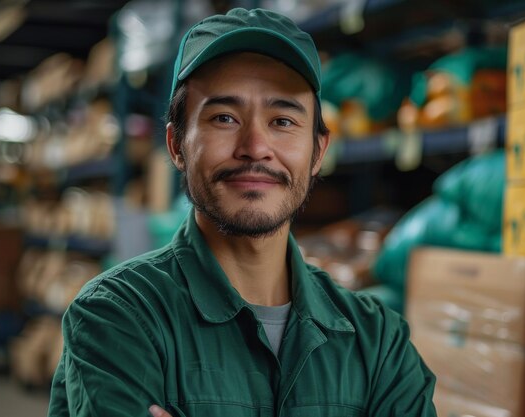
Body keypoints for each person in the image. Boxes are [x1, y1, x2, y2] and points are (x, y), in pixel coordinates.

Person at [48, 7, 437, 417]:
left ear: (318, 151)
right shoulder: (119, 317)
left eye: (283, 120)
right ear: (177, 145)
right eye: (224, 117)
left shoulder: (378, 342)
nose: (255, 146)